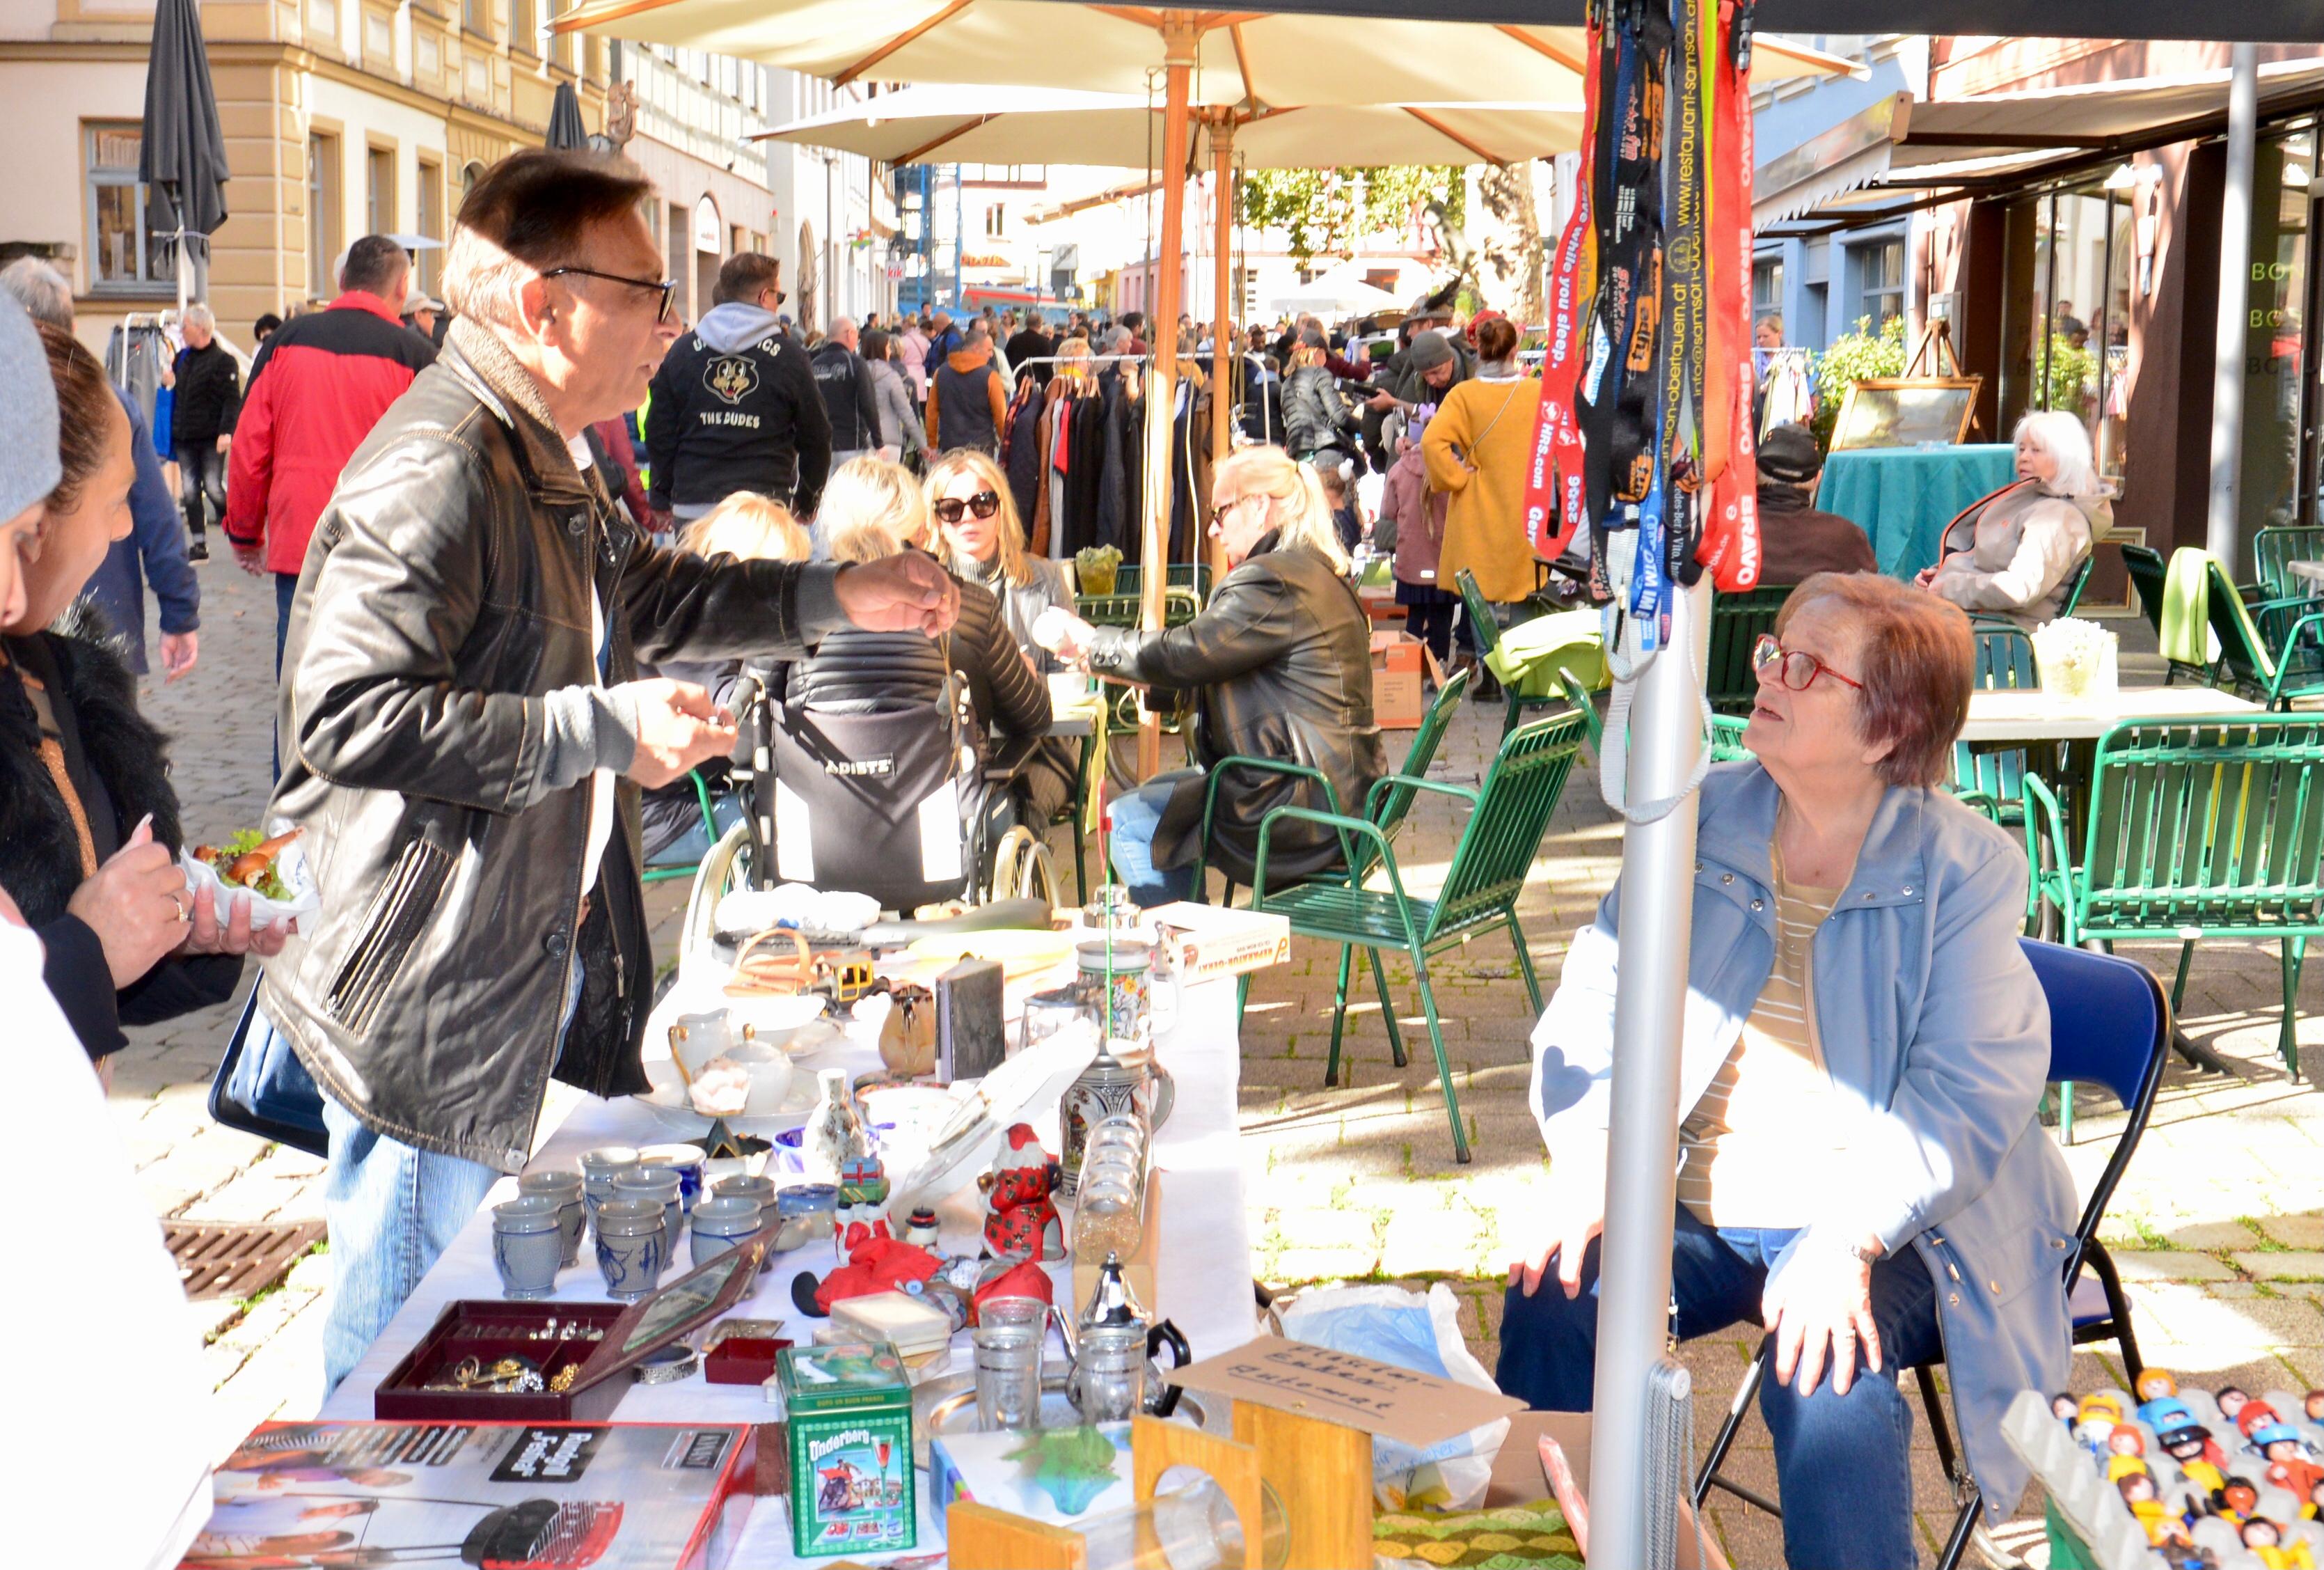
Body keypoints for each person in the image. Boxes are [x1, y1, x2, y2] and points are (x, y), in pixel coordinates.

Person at [251, 149, 957, 1395]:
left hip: (499, 969)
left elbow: (653, 588)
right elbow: (348, 716)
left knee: (477, 1345)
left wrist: (839, 590)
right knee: (402, 1377)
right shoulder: (443, 460)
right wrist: (597, 729)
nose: (669, 326)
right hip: (430, 996)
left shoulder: (542, 446)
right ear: (543, 301)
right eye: (645, 290)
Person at [1501, 572, 2073, 1570]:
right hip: (1703, 1197)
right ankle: (1563, 1544)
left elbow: (1967, 1091)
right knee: (1555, 1285)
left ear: (1885, 728)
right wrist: (1587, 1156)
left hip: (1889, 1209)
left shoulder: (1966, 866)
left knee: (1825, 1368)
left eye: (1804, 668)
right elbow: (1593, 1002)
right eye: (1772, 651)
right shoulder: (1692, 816)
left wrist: (1844, 1237)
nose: (1764, 673)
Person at [3, 318, 286, 1063]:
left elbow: (86, 968)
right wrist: (87, 949)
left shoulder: (56, 680)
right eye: (119, 496)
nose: (130, 522)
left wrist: (173, 939)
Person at [1035, 445, 1383, 906]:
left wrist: (1091, 641)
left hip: (1301, 808)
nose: (1212, 528)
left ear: (1259, 505)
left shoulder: (1270, 579)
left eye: (1221, 511)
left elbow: (1189, 651)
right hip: (1338, 795)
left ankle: (1183, 962)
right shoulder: (1309, 570)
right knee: (1157, 795)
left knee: (1129, 819)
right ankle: (1193, 949)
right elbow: (1222, 665)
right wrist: (1127, 671)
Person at [224, 233, 437, 670]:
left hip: (302, 539)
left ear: (343, 280)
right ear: (402, 288)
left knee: (299, 686)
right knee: (378, 682)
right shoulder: (417, 356)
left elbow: (249, 448)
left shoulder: (284, 342)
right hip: (388, 546)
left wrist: (245, 533)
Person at [0, 257, 200, 681]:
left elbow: (148, 510)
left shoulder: (110, 408)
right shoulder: (110, 408)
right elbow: (155, 513)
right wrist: (179, 612)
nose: (121, 524)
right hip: (101, 630)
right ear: (70, 330)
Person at [928, 448, 1077, 823]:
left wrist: (1028, 678)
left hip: (1039, 747)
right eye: (951, 508)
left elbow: (1074, 679)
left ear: (1001, 508)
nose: (967, 518)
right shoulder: (924, 590)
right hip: (951, 755)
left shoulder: (1043, 580)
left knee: (1011, 817)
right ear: (938, 521)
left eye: (981, 503)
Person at [645, 252, 831, 526]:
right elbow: (816, 435)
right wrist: (807, 500)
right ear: (764, 297)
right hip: (764, 509)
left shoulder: (683, 352)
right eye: (778, 298)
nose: (777, 306)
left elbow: (659, 429)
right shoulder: (789, 356)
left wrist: (661, 494)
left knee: (698, 570)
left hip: (696, 503)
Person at [1919, 409, 2109, 627]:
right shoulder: (2035, 501)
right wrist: (1938, 577)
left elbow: (2019, 589)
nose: (2024, 457)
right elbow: (1990, 562)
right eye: (2021, 449)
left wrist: (1948, 588)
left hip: (2000, 637)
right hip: (1977, 622)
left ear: (2066, 458)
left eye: (2036, 450)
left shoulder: (2057, 519)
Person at [1423, 316, 1538, 612]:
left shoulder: (1463, 395)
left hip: (1476, 508)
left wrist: (1456, 477)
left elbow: (1431, 442)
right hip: (1524, 507)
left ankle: (1485, 658)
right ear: (1515, 350)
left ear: (1479, 349)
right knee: (1524, 597)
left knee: (1481, 611)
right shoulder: (1536, 392)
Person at [1753, 423, 1879, 583]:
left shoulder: (1726, 533)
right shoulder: (1847, 538)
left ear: (1753, 471)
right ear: (1817, 480)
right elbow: (1869, 594)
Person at [1378, 414, 1455, 666]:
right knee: (1441, 618)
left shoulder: (1399, 470)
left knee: (1415, 614)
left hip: (1411, 557)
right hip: (1442, 557)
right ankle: (1439, 667)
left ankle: (1409, 668)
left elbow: (1389, 511)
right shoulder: (1452, 466)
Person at [168, 303, 242, 562]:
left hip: (211, 437)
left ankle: (234, 530)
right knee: (189, 491)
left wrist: (226, 432)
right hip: (185, 436)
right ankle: (199, 545)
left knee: (212, 487)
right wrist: (169, 383)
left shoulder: (224, 361)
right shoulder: (182, 358)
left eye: (185, 326)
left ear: (201, 329)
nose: (182, 331)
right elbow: (175, 394)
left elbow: (232, 400)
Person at [811, 315, 885, 466]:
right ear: (850, 334)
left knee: (824, 489)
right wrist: (878, 442)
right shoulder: (855, 364)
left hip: (820, 445)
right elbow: (868, 403)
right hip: (852, 444)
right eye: (857, 334)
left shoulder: (814, 365)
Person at [926, 322, 1009, 457]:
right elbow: (1001, 417)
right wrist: (1006, 448)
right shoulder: (991, 377)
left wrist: (932, 444)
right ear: (976, 348)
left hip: (950, 447)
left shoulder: (940, 373)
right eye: (989, 350)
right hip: (982, 449)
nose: (991, 355)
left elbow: (931, 412)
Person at [1282, 341, 1361, 469]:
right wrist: (1362, 425)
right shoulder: (1319, 373)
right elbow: (1339, 416)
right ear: (1317, 353)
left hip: (1298, 452)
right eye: (1325, 353)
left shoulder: (1286, 383)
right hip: (1325, 448)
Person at [862, 328, 926, 469]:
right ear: (882, 350)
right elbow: (906, 413)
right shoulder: (891, 376)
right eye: (887, 348)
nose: (890, 351)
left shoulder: (856, 374)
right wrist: (922, 444)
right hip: (889, 440)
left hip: (860, 441)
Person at [1006, 311, 1054, 388]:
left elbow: (1007, 360)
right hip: (1037, 384)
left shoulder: (1014, 339)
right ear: (1040, 325)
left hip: (1016, 381)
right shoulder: (1043, 342)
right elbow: (1048, 366)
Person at [899, 314, 932, 404]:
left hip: (906, 372)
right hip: (921, 372)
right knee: (919, 402)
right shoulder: (925, 340)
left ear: (906, 324)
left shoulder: (903, 340)